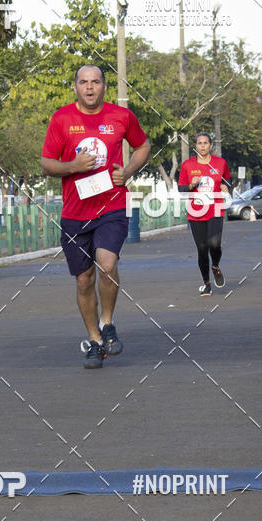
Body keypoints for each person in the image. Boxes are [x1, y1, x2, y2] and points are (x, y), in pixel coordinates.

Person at [41, 65, 150, 369]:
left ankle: (107, 323)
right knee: (84, 279)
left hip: (111, 205)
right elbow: (47, 163)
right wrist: (72, 166)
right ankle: (95, 341)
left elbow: (142, 146)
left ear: (105, 87)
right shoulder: (62, 119)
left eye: (96, 82)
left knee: (107, 264)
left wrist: (127, 172)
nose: (89, 87)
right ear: (75, 87)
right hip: (75, 212)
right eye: (83, 82)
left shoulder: (121, 117)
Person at [177, 132, 232, 296]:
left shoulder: (220, 163)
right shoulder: (188, 165)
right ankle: (206, 283)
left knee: (214, 244)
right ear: (195, 146)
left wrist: (226, 187)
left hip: (215, 209)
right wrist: (190, 185)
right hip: (196, 211)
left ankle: (215, 266)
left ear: (210, 145)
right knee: (202, 249)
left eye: (205, 143)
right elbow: (181, 190)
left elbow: (228, 181)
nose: (202, 146)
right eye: (199, 143)